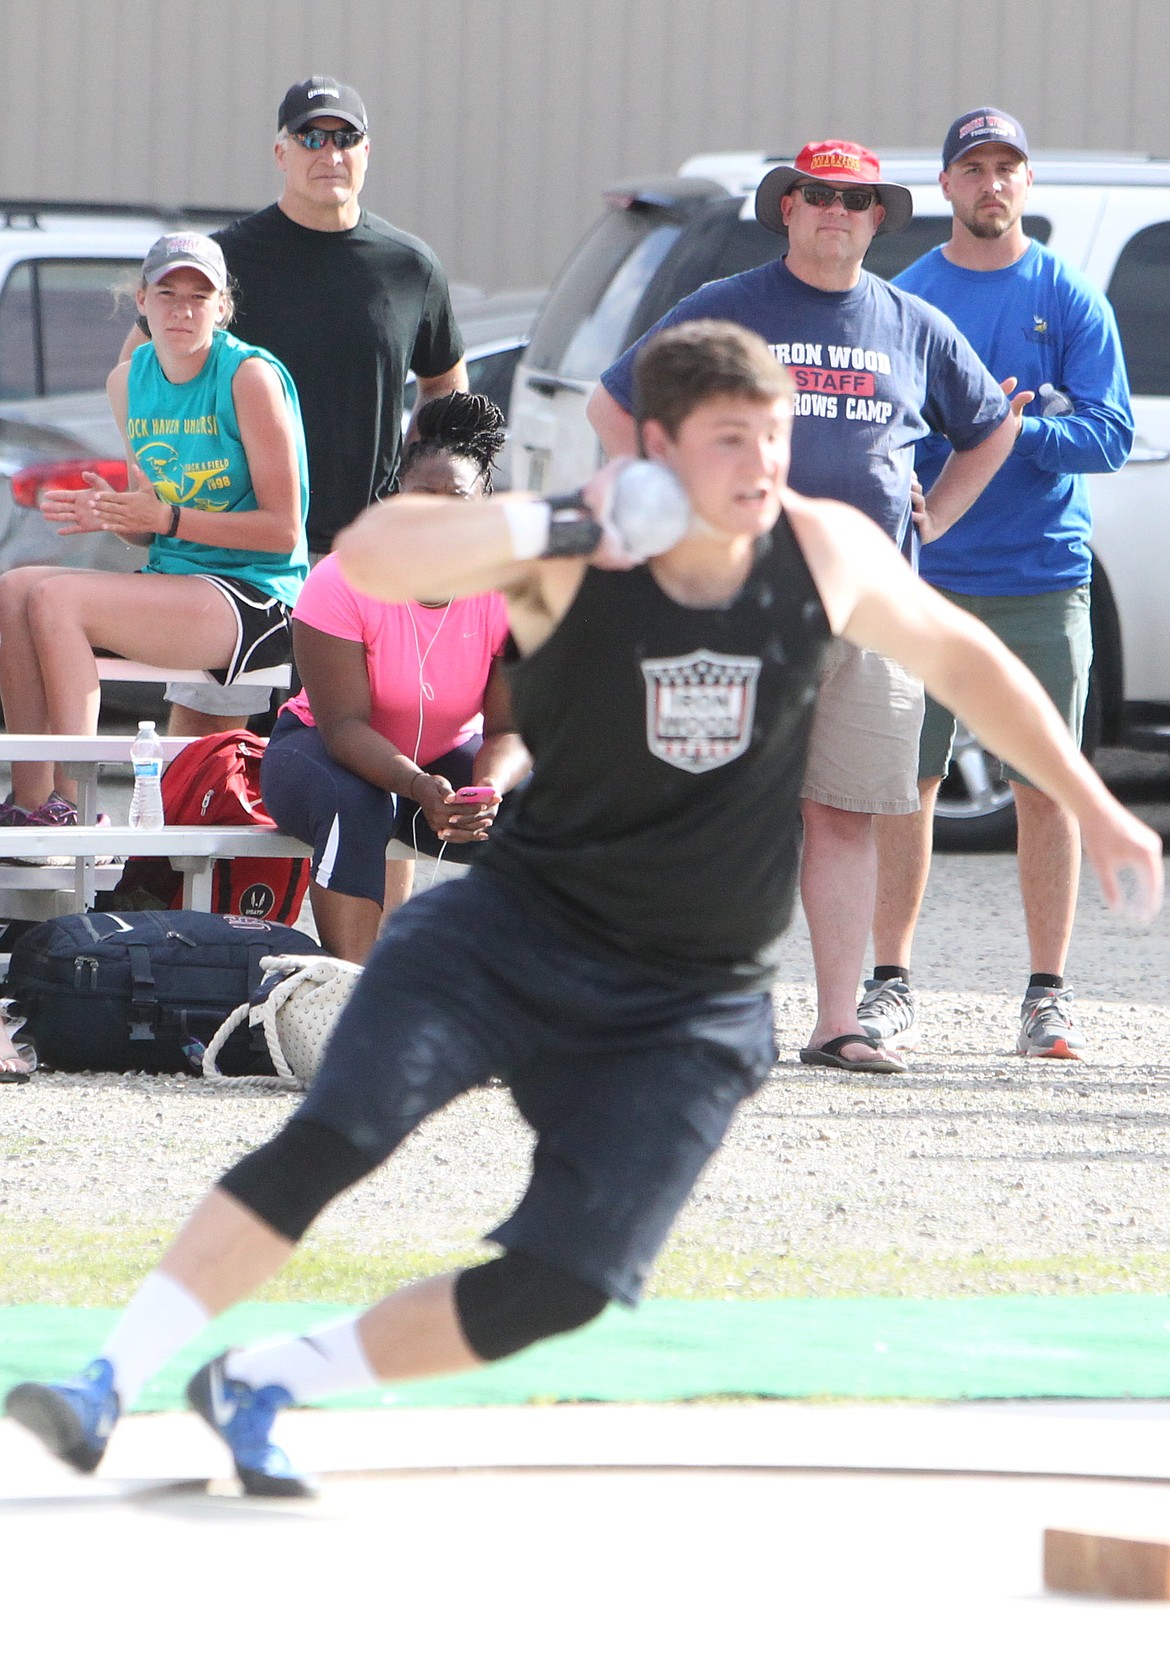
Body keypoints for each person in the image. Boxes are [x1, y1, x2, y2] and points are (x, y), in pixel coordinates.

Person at [6, 322, 1159, 1498]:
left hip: (695, 994)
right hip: (516, 933)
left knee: (567, 1280)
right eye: (729, 441)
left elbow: (966, 662)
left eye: (775, 436)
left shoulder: (827, 549)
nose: (763, 465)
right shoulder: (574, 551)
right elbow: (380, 552)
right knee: (336, 1135)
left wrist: (1096, 805)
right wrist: (563, 519)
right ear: (656, 448)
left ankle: (273, 1378)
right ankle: (109, 1380)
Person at [589, 139, 1023, 1074]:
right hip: (741, 599)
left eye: (855, 199)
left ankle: (837, 1022)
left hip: (871, 607)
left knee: (846, 814)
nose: (836, 211)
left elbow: (991, 427)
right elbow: (613, 406)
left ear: (876, 217)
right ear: (787, 210)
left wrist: (937, 515)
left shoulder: (913, 321)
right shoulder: (728, 308)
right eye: (817, 196)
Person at [861, 109, 1134, 1062]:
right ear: (944, 186)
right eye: (973, 168)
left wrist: (1012, 433)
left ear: (1027, 183)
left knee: (1045, 785)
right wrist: (959, 441)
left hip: (1043, 579)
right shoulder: (907, 297)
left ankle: (1047, 996)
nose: (991, 184)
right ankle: (889, 981)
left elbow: (1110, 434)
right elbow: (882, 435)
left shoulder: (1069, 298)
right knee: (909, 781)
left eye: (1007, 167)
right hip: (928, 581)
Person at [139, 77, 467, 738]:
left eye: (345, 138)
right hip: (236, 555)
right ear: (280, 152)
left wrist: (419, 492)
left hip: (361, 551)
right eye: (311, 137)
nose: (330, 152)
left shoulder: (409, 267)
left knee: (370, 746)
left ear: (368, 151)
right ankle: (173, 846)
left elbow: (445, 387)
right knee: (206, 746)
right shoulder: (224, 261)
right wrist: (164, 485)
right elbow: (140, 370)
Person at [0, 231, 308, 831]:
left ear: (223, 307)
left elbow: (283, 530)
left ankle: (75, 805)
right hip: (178, 579)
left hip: (258, 596)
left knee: (58, 599)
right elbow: (150, 519)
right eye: (168, 293)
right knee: (13, 589)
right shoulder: (130, 380)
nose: (183, 309)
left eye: (200, 295)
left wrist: (164, 519)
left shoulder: (248, 377)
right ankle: (30, 802)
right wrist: (120, 516)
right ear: (141, 299)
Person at [260, 392, 530, 962]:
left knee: (548, 806)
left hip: (442, 763)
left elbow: (510, 729)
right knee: (355, 801)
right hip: (324, 755)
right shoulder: (341, 579)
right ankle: (346, 994)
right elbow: (344, 728)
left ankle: (529, 998)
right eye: (421, 496)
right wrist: (416, 787)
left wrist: (487, 793)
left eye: (454, 500)